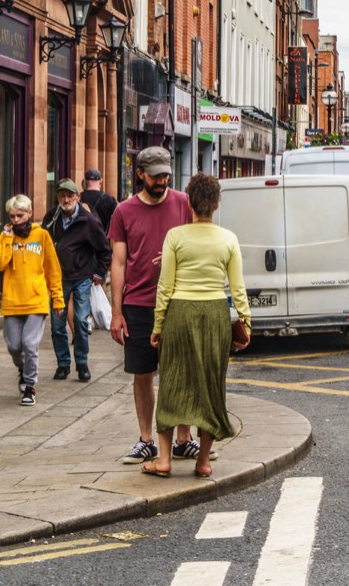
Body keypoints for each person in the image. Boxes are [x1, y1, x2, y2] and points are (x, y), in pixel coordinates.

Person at [141, 175, 250, 478]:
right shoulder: (228, 239)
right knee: (210, 384)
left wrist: (158, 325)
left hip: (179, 313)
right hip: (215, 313)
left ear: (189, 202)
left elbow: (165, 286)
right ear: (216, 205)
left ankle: (163, 460)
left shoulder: (175, 237)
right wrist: (246, 323)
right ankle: (203, 461)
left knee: (172, 381)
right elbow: (238, 288)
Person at [108, 147, 201, 464]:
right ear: (140, 174)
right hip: (138, 303)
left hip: (179, 301)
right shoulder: (124, 211)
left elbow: (200, 245)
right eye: (156, 175)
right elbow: (118, 263)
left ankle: (184, 439)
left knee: (182, 372)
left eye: (166, 175)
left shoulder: (184, 204)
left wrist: (178, 257)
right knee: (142, 373)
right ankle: (146, 439)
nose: (162, 180)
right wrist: (116, 311)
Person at [0, 194, 64, 407]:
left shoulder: (41, 236)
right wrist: (5, 238)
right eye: (12, 216)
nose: (16, 220)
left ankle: (30, 387)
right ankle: (23, 370)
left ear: (30, 213)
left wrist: (58, 299)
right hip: (12, 300)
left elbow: (53, 269)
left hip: (36, 299)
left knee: (29, 344)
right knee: (14, 345)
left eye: (20, 215)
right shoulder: (7, 236)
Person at [42, 179, 111, 382]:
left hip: (82, 277)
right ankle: (63, 364)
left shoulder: (88, 220)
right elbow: (41, 242)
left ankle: (82, 364)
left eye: (70, 195)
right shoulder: (51, 218)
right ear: (58, 197)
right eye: (62, 195)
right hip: (58, 278)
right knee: (57, 324)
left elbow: (104, 249)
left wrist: (99, 273)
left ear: (77, 197)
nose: (66, 199)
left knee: (81, 321)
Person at [79, 168, 118, 234]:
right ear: (100, 182)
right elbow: (116, 223)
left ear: (85, 181)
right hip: (103, 240)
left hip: (83, 240)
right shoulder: (110, 200)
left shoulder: (78, 198)